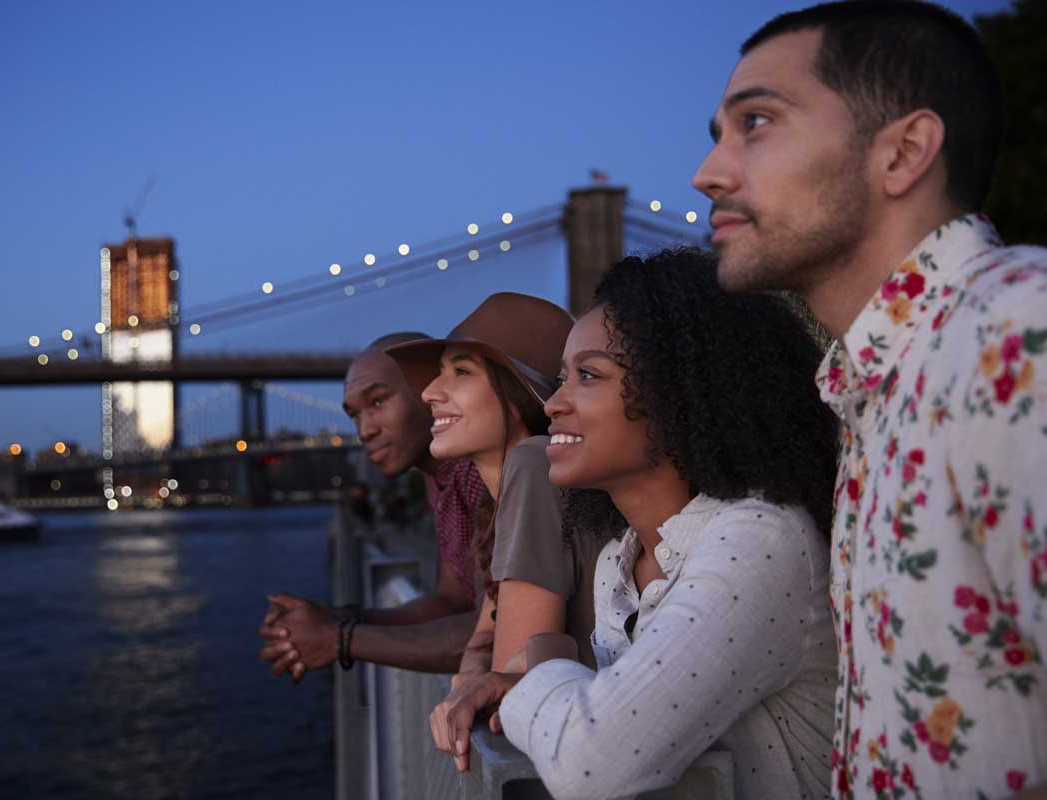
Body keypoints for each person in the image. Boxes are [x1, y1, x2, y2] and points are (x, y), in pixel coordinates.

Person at [693, 2, 1047, 797]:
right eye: (715, 133)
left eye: (755, 122)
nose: (708, 172)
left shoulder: (1017, 336)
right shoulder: (879, 385)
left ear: (903, 153)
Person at [431, 251, 841, 799]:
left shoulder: (761, 541)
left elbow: (592, 762)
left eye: (588, 376)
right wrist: (533, 683)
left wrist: (534, 675)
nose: (553, 403)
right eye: (560, 378)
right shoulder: (617, 565)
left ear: (682, 396)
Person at [385, 293, 604, 772]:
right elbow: (484, 643)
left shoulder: (534, 470)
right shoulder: (501, 502)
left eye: (460, 372)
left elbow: (503, 674)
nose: (428, 394)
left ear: (521, 392)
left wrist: (477, 682)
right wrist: (471, 677)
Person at [257, 333, 487, 680]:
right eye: (354, 415)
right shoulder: (438, 475)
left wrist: (340, 638)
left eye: (378, 401)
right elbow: (451, 602)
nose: (364, 430)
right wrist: (334, 618)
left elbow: (499, 636)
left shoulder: (483, 474)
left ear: (433, 392)